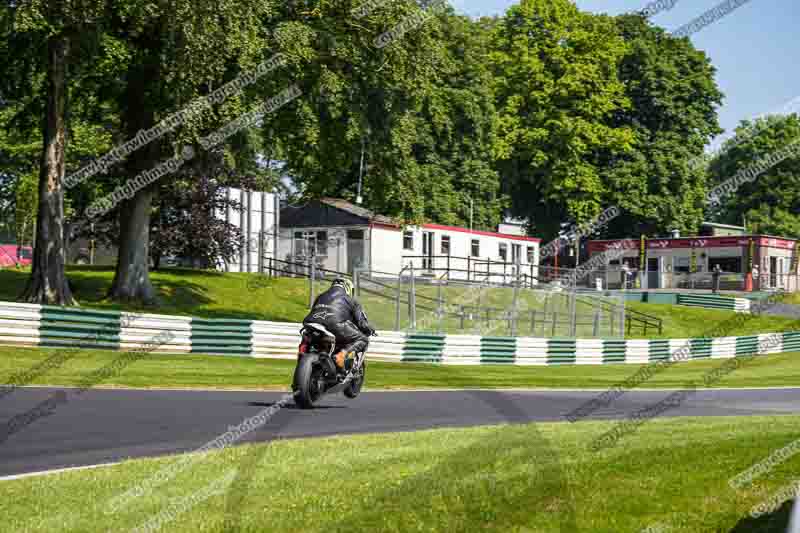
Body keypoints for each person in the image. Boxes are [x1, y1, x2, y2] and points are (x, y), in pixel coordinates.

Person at [302, 277, 376, 371]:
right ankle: (341, 355)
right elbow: (362, 323)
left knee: (307, 338)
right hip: (334, 325)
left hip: (311, 322)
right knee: (363, 340)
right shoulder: (350, 300)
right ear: (348, 287)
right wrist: (370, 329)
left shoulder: (320, 296)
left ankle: (302, 352)